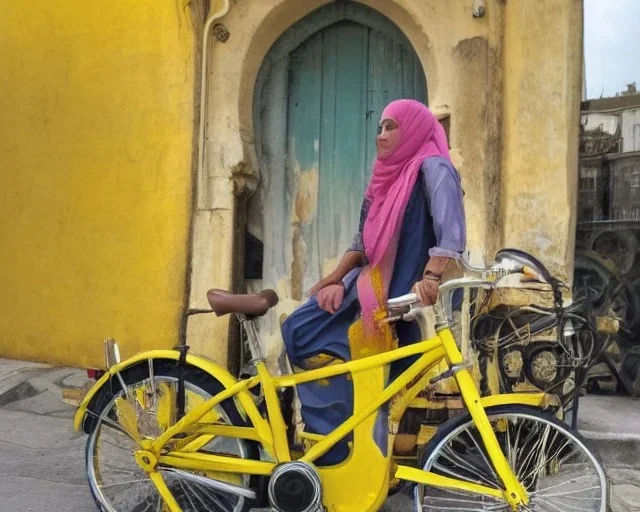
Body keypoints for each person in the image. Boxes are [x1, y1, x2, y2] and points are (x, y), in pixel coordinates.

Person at [281, 99, 466, 465]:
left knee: (306, 335)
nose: (380, 136)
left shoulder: (434, 169)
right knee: (301, 332)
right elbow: (363, 243)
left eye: (390, 127)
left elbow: (451, 233)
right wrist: (334, 279)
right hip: (366, 289)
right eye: (379, 127)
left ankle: (345, 452)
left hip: (394, 301)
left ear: (412, 129)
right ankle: (336, 446)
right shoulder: (386, 175)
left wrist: (431, 275)